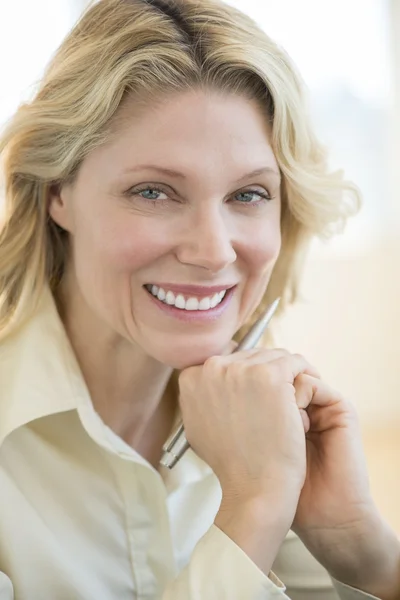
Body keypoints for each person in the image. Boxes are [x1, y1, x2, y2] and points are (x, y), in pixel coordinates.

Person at [0, 0, 399, 598]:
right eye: (154, 191)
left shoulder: (263, 424)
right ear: (59, 194)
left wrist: (360, 550)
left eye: (249, 194)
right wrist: (251, 512)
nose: (214, 251)